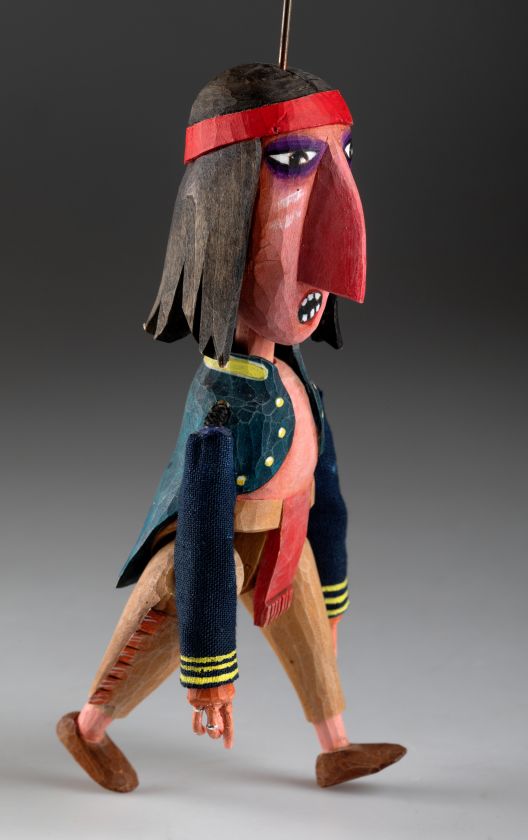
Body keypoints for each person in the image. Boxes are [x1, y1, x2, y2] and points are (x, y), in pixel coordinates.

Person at [57, 63, 406, 792]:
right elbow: (207, 536)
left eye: (344, 155)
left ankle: (335, 746)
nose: (334, 252)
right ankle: (87, 730)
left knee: (316, 651)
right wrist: (212, 670)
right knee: (155, 629)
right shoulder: (223, 405)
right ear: (221, 221)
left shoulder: (293, 376)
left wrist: (333, 581)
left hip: (284, 540)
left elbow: (325, 481)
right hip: (209, 556)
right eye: (294, 162)